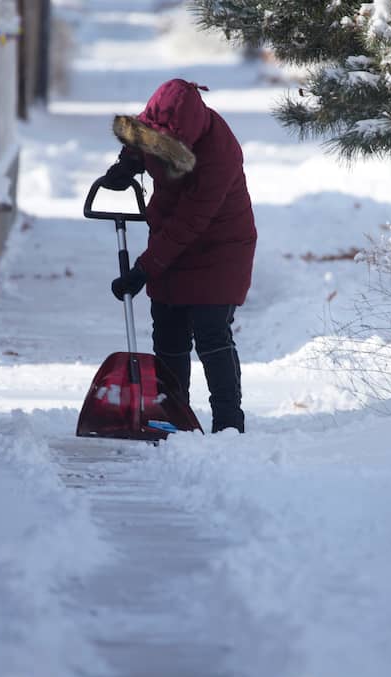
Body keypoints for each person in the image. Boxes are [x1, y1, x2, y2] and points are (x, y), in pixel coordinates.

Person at [100, 78, 256, 434]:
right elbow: (142, 139)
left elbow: (192, 220)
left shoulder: (220, 151)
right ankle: (172, 416)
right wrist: (128, 163)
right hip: (171, 238)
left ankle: (229, 424)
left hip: (221, 247)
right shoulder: (156, 122)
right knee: (168, 330)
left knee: (211, 332)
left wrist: (143, 269)